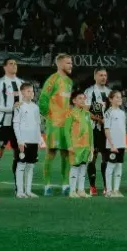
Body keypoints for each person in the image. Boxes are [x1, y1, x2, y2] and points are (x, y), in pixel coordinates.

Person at [38, 54, 75, 196]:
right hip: (54, 123)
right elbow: (42, 99)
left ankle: (65, 185)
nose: (71, 65)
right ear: (59, 64)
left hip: (66, 123)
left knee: (66, 153)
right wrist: (49, 116)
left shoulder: (69, 82)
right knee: (51, 153)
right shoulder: (52, 79)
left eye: (71, 63)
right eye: (68, 63)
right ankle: (47, 185)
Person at [0, 58, 24, 181]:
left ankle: (18, 187)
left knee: (19, 156)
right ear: (4, 67)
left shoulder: (22, 83)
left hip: (19, 126)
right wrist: (10, 109)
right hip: (3, 125)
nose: (14, 65)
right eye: (11, 64)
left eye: (15, 64)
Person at [82, 68, 111, 195]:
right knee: (92, 157)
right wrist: (99, 119)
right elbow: (85, 111)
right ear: (95, 77)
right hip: (93, 129)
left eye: (105, 75)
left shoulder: (110, 92)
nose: (103, 77)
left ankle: (106, 186)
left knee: (106, 158)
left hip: (106, 130)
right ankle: (92, 186)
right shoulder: (89, 92)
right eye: (101, 75)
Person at [63, 91, 95, 198]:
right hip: (75, 146)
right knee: (75, 167)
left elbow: (90, 130)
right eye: (80, 98)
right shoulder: (70, 113)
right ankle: (72, 191)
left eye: (83, 98)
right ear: (74, 101)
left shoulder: (86, 114)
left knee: (83, 167)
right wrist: (69, 145)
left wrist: (91, 145)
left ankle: (81, 190)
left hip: (86, 146)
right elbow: (66, 130)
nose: (83, 100)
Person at [13, 82, 42, 198]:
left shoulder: (35, 107)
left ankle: (28, 191)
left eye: (32, 91)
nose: (31, 93)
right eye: (28, 91)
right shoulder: (19, 106)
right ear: (22, 92)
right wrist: (20, 141)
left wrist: (39, 140)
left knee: (30, 166)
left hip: (33, 140)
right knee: (21, 165)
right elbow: (16, 124)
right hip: (23, 141)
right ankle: (20, 191)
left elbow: (38, 124)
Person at [102, 89, 127, 198]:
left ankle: (116, 190)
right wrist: (112, 145)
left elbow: (123, 129)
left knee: (119, 166)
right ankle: (108, 191)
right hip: (112, 145)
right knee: (111, 166)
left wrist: (125, 143)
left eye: (120, 97)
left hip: (121, 144)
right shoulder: (108, 112)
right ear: (111, 99)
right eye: (117, 97)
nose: (119, 99)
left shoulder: (122, 113)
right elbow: (107, 129)